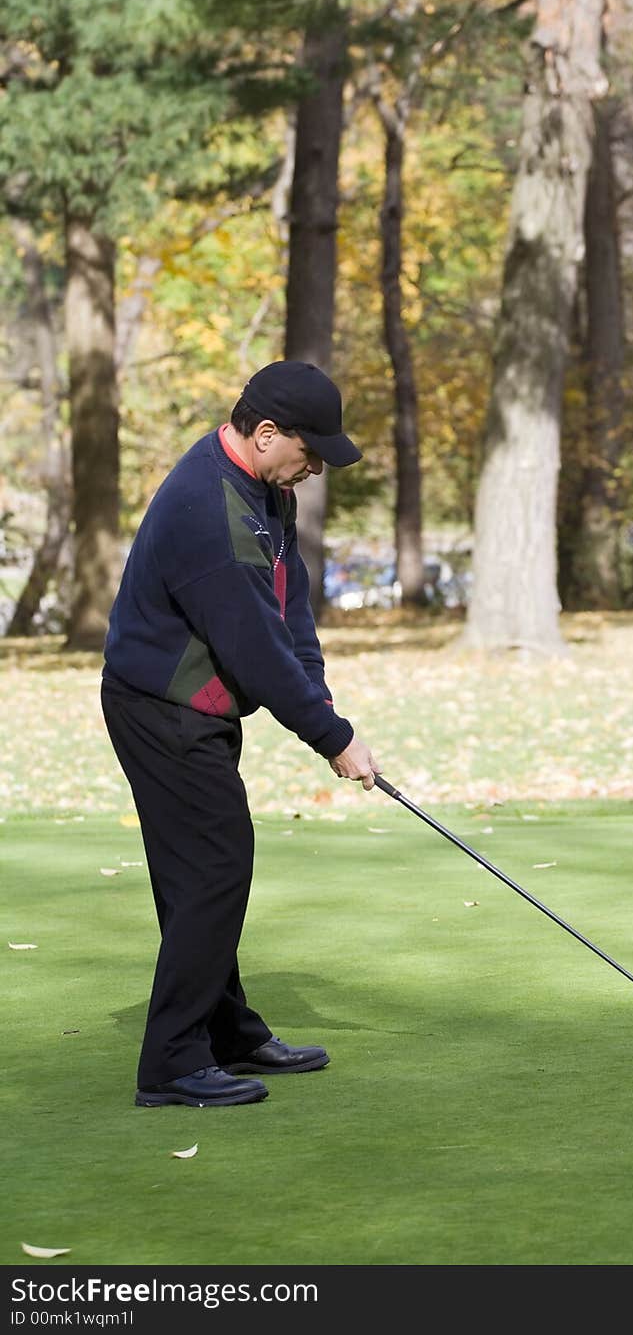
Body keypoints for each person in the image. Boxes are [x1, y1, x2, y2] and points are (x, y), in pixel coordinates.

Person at [100, 360, 381, 1108]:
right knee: (216, 865)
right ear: (264, 434)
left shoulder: (262, 488)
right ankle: (170, 1064)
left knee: (204, 868)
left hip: (196, 706)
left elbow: (290, 607)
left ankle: (225, 1033)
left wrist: (318, 692)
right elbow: (255, 651)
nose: (315, 467)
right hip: (161, 707)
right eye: (309, 451)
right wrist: (334, 737)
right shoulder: (209, 511)